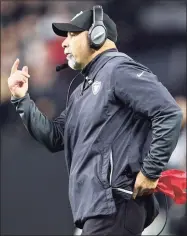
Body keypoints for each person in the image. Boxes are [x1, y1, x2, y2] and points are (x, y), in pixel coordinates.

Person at [8, 5, 183, 235]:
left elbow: (170, 113)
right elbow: (54, 138)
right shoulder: (81, 91)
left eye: (72, 34)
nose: (63, 43)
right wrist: (23, 101)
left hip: (116, 204)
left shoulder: (118, 69)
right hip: (98, 209)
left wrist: (150, 171)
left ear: (97, 34)